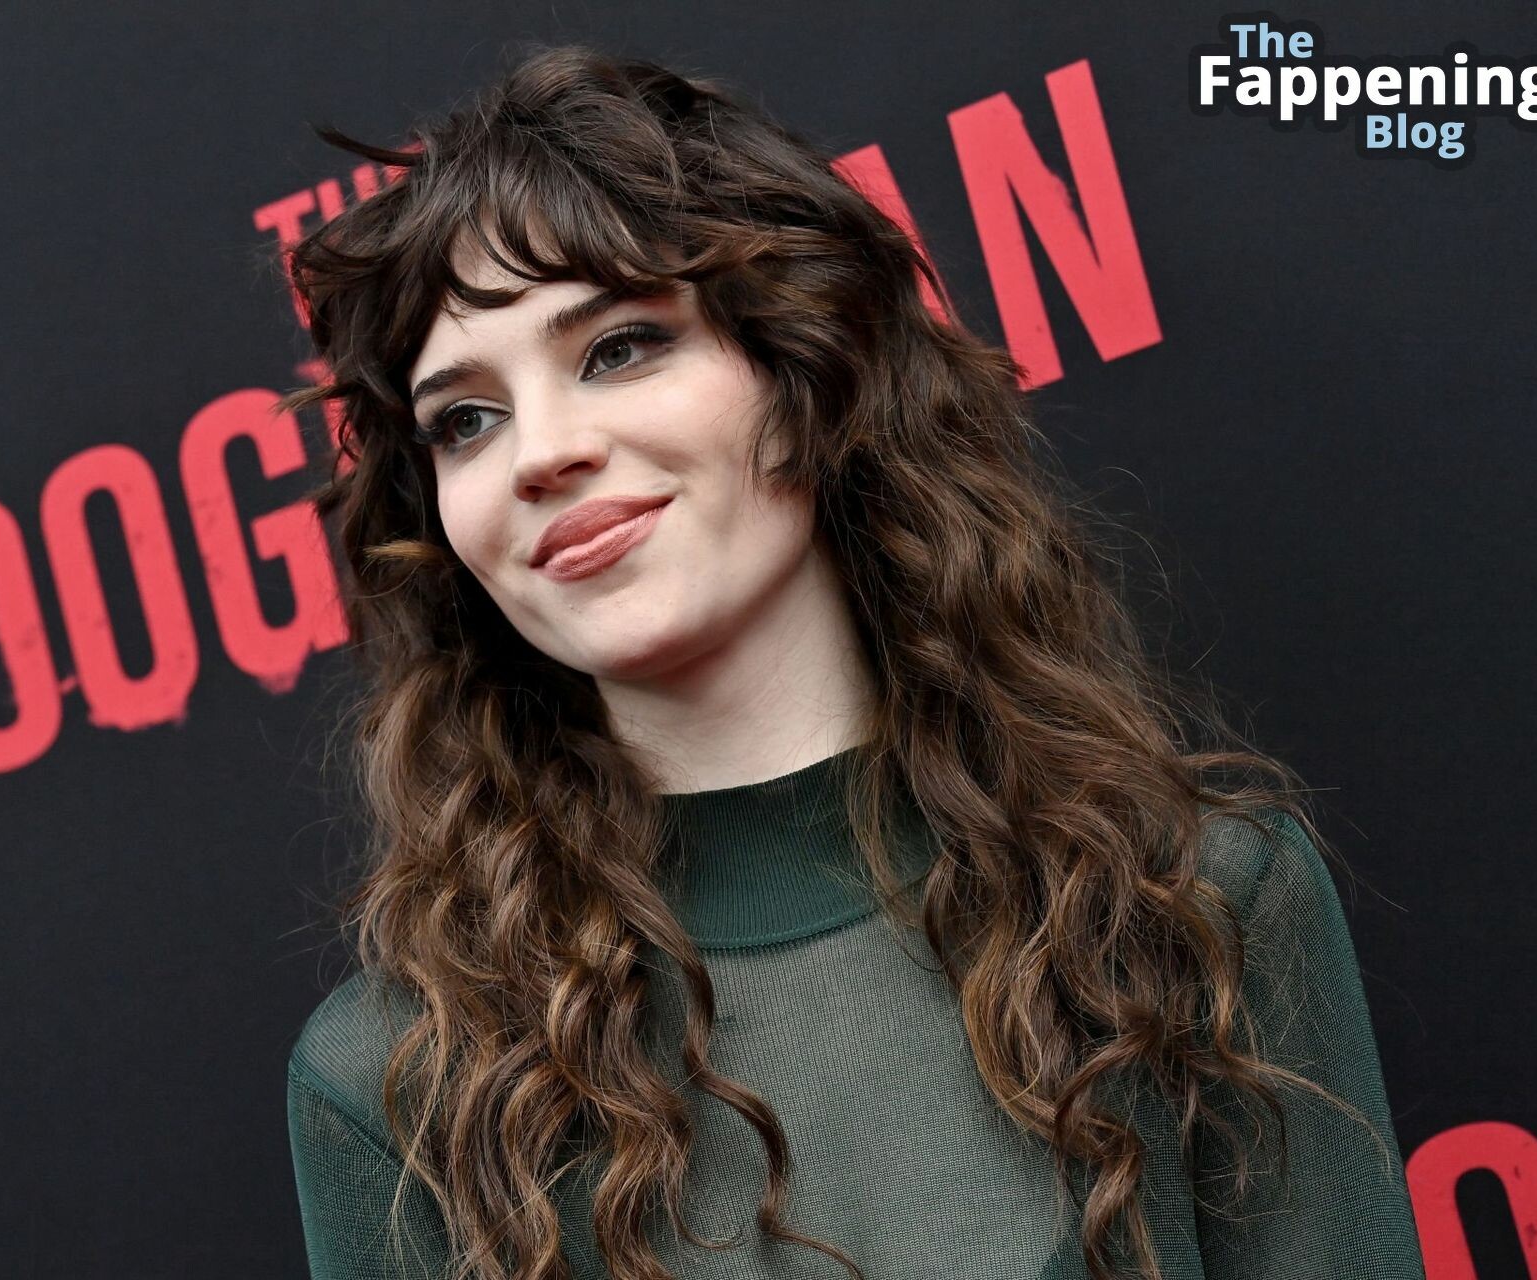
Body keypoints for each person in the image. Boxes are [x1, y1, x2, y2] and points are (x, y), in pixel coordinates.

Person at [272, 40, 1425, 1280]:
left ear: (809, 368)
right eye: (465, 420)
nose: (540, 452)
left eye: (618, 347)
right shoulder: (395, 1082)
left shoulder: (1197, 900)